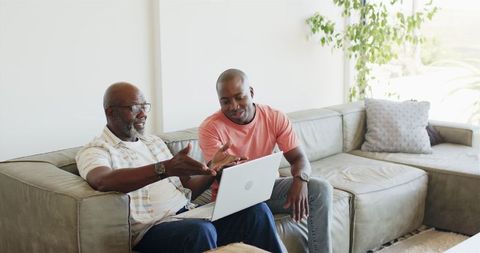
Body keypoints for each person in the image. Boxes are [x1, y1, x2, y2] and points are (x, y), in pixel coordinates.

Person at [75, 82, 284, 253]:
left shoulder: (153, 142)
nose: (143, 114)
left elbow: (189, 190)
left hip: (187, 214)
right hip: (151, 229)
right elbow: (102, 180)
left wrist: (213, 170)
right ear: (110, 112)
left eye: (144, 106)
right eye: (133, 108)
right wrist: (163, 168)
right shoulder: (96, 149)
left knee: (255, 211)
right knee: (200, 231)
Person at [198, 69, 333, 253]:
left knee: (320, 189)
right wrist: (220, 166)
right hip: (234, 199)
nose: (234, 106)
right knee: (256, 207)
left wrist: (301, 179)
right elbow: (220, 176)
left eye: (240, 97)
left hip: (268, 188)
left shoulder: (274, 117)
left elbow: (299, 158)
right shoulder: (210, 128)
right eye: (226, 101)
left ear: (251, 92)